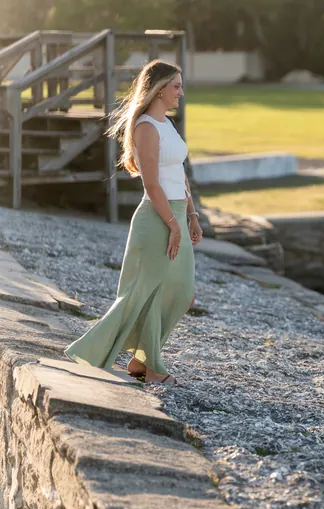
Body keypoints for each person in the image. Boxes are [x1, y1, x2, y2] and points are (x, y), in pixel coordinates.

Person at [65, 60, 203, 385]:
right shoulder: (145, 127)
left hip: (176, 216)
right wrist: (172, 224)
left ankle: (141, 362)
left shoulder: (166, 124)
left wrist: (191, 215)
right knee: (145, 292)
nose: (181, 93)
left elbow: (178, 175)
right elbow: (152, 184)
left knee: (182, 294)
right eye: (176, 86)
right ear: (158, 90)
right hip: (156, 219)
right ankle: (150, 366)